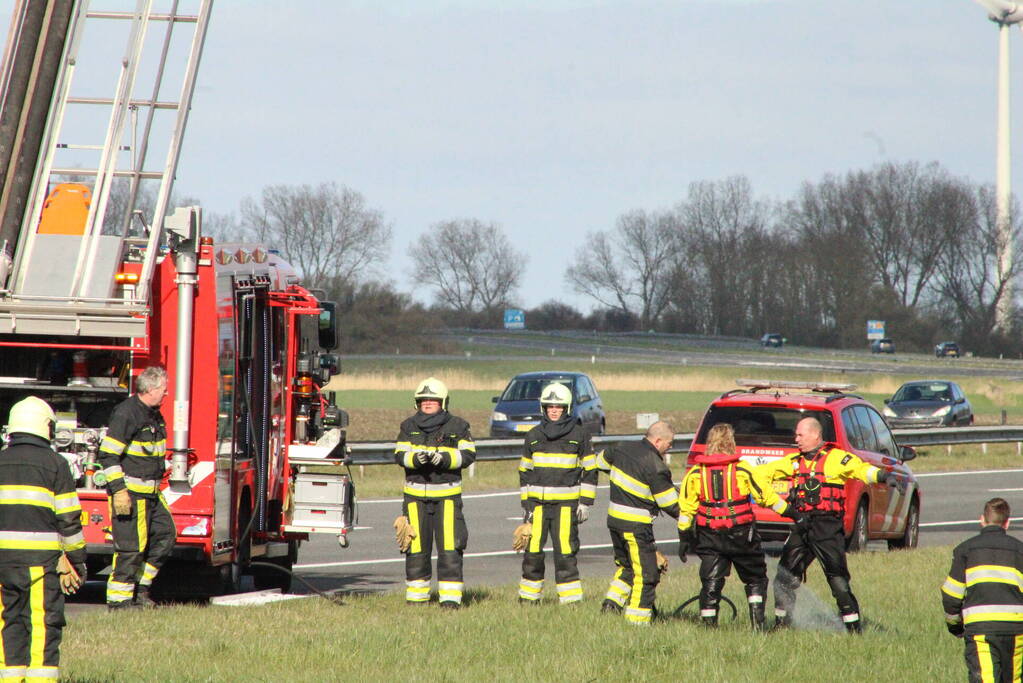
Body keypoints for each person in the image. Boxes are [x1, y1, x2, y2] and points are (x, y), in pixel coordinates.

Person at [757, 416, 897, 633]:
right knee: (783, 577)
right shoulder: (793, 461)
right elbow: (761, 474)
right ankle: (781, 625)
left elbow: (860, 469)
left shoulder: (836, 458)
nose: (796, 440)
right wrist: (779, 505)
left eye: (800, 435)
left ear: (815, 435)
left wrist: (881, 476)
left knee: (837, 579)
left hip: (827, 527)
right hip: (802, 525)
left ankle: (853, 627)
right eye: (796, 435)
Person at [677, 423, 800, 630]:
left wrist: (684, 538)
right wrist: (793, 514)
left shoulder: (696, 473)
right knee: (755, 579)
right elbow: (767, 497)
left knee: (711, 581)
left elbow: (686, 509)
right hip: (742, 535)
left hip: (710, 535)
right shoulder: (743, 469)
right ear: (731, 442)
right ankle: (758, 627)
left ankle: (709, 628)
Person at [0, 396, 86, 681]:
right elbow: (69, 518)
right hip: (41, 564)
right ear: (45, 426)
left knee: (8, 620)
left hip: (2, 564)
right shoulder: (55, 463)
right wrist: (77, 561)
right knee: (43, 622)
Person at [393, 377, 476, 608]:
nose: (428, 403)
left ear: (443, 402)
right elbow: (399, 454)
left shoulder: (458, 426)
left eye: (433, 400)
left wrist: (445, 459)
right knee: (416, 548)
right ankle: (417, 599)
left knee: (450, 547)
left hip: (447, 498)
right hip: (415, 498)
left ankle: (450, 600)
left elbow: (468, 455)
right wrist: (414, 459)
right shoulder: (408, 426)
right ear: (417, 403)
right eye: (423, 400)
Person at [97, 365, 175, 609]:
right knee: (131, 549)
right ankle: (119, 603)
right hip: (131, 494)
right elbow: (108, 455)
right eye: (163, 390)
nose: (166, 394)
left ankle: (140, 588)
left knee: (165, 536)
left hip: (152, 493)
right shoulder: (127, 413)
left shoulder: (152, 413)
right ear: (150, 389)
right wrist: (119, 490)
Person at [516, 382, 597, 605]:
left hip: (566, 507)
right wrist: (527, 506)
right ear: (543, 408)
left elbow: (590, 470)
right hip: (538, 507)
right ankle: (528, 599)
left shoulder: (580, 435)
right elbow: (524, 472)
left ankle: (570, 601)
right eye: (550, 406)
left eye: (558, 407)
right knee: (532, 554)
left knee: (565, 554)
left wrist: (585, 503)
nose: (553, 410)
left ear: (566, 408)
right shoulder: (532, 435)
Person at [596, 421, 678, 625]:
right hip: (636, 527)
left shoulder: (621, 447)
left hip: (614, 521)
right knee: (647, 574)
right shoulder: (656, 466)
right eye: (669, 443)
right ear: (658, 441)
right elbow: (671, 505)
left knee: (627, 567)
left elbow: (600, 462)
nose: (671, 447)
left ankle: (611, 605)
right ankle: (637, 621)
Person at [942, 497, 1023, 683]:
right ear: (1007, 523)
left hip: (981, 631)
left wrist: (955, 626)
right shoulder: (1020, 550)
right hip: (1017, 631)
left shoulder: (965, 550)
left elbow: (951, 595)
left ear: (982, 519)